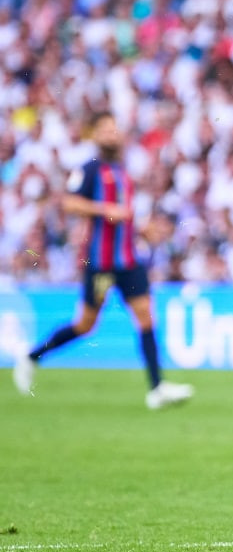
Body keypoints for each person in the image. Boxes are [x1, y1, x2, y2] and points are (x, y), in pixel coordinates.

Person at [12, 111, 194, 410]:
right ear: (95, 135)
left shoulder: (122, 171)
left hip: (129, 260)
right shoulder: (90, 169)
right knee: (85, 325)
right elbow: (70, 203)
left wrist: (142, 228)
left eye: (114, 128)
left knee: (146, 315)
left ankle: (157, 387)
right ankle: (31, 356)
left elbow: (122, 216)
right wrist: (103, 208)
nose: (112, 133)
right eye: (105, 129)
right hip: (102, 262)